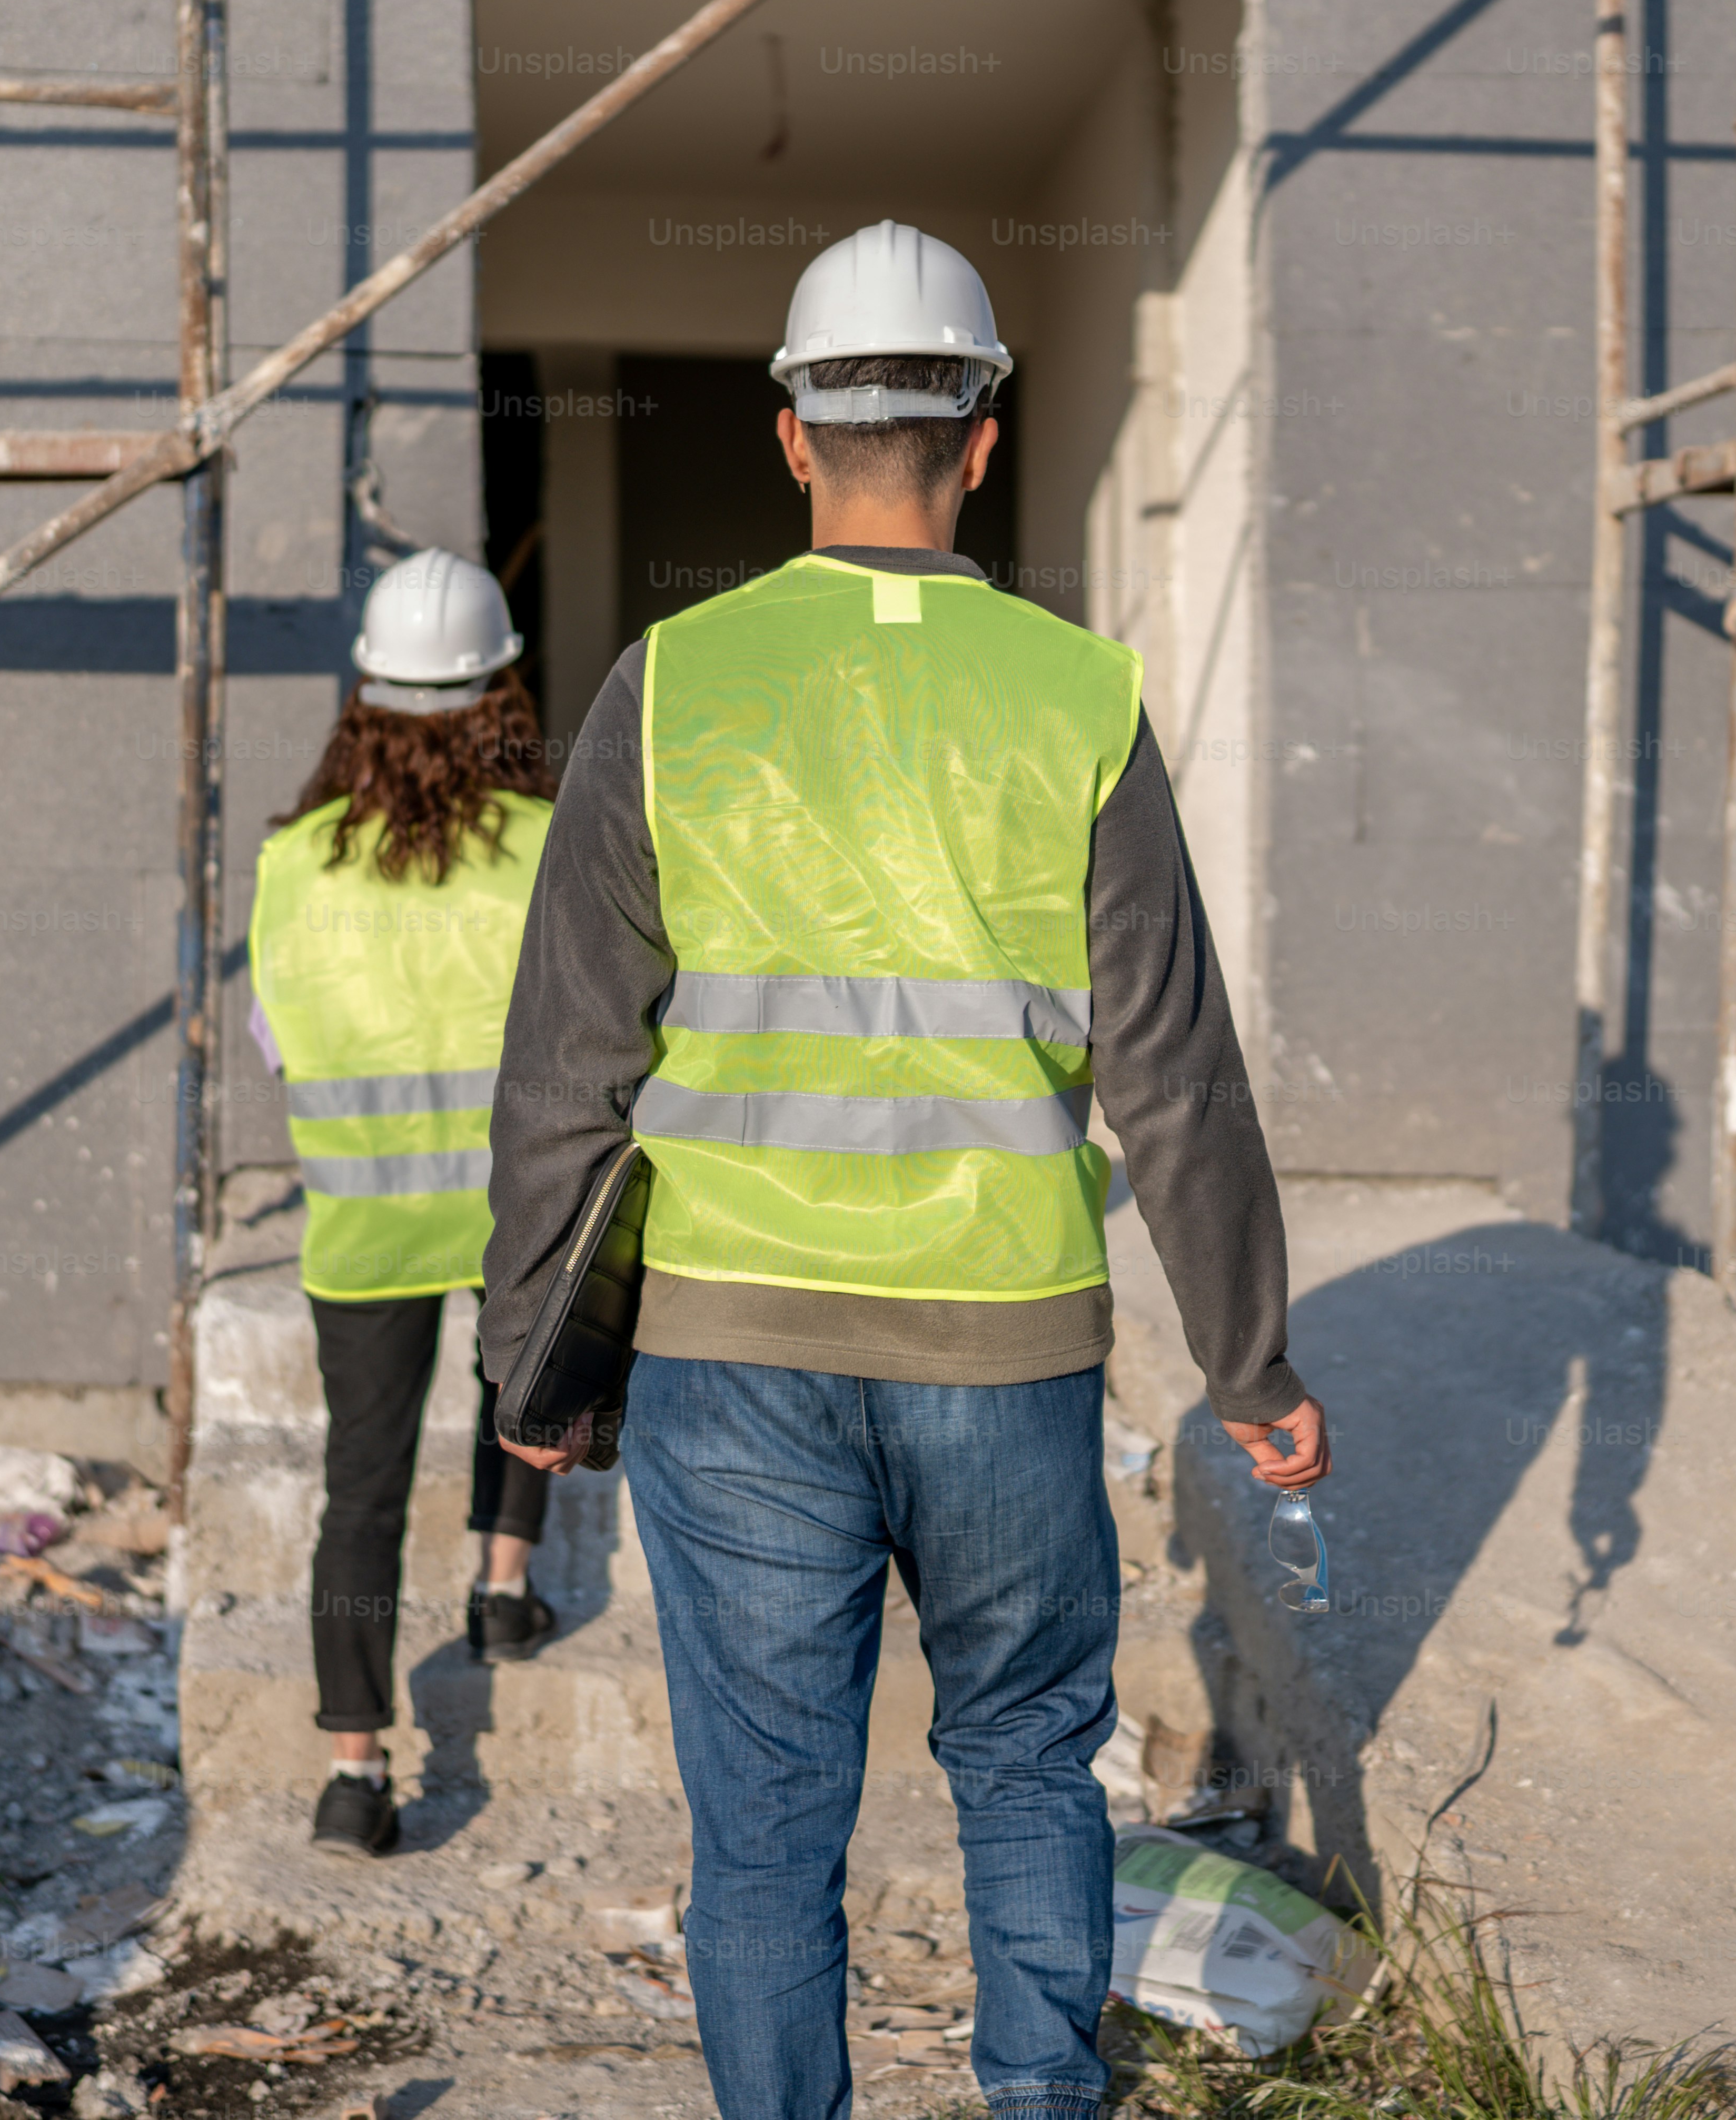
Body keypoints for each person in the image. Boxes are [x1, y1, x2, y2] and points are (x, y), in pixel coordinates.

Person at [477, 221, 1330, 2120]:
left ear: (793, 435)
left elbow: (566, 1062)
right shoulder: (1077, 698)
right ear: (985, 435)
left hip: (734, 1356)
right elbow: (1175, 1076)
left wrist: (530, 1351)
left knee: (767, 1829)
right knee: (1029, 1769)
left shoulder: (668, 686)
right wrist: (1251, 1366)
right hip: (1004, 1351)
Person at [246, 544, 567, 1860]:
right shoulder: (551, 845)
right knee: (520, 1389)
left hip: (363, 1224)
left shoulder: (296, 859)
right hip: (520, 1205)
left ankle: (355, 1771)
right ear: (503, 691)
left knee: (358, 1488)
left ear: (362, 695)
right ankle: (502, 1588)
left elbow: (276, 1037)